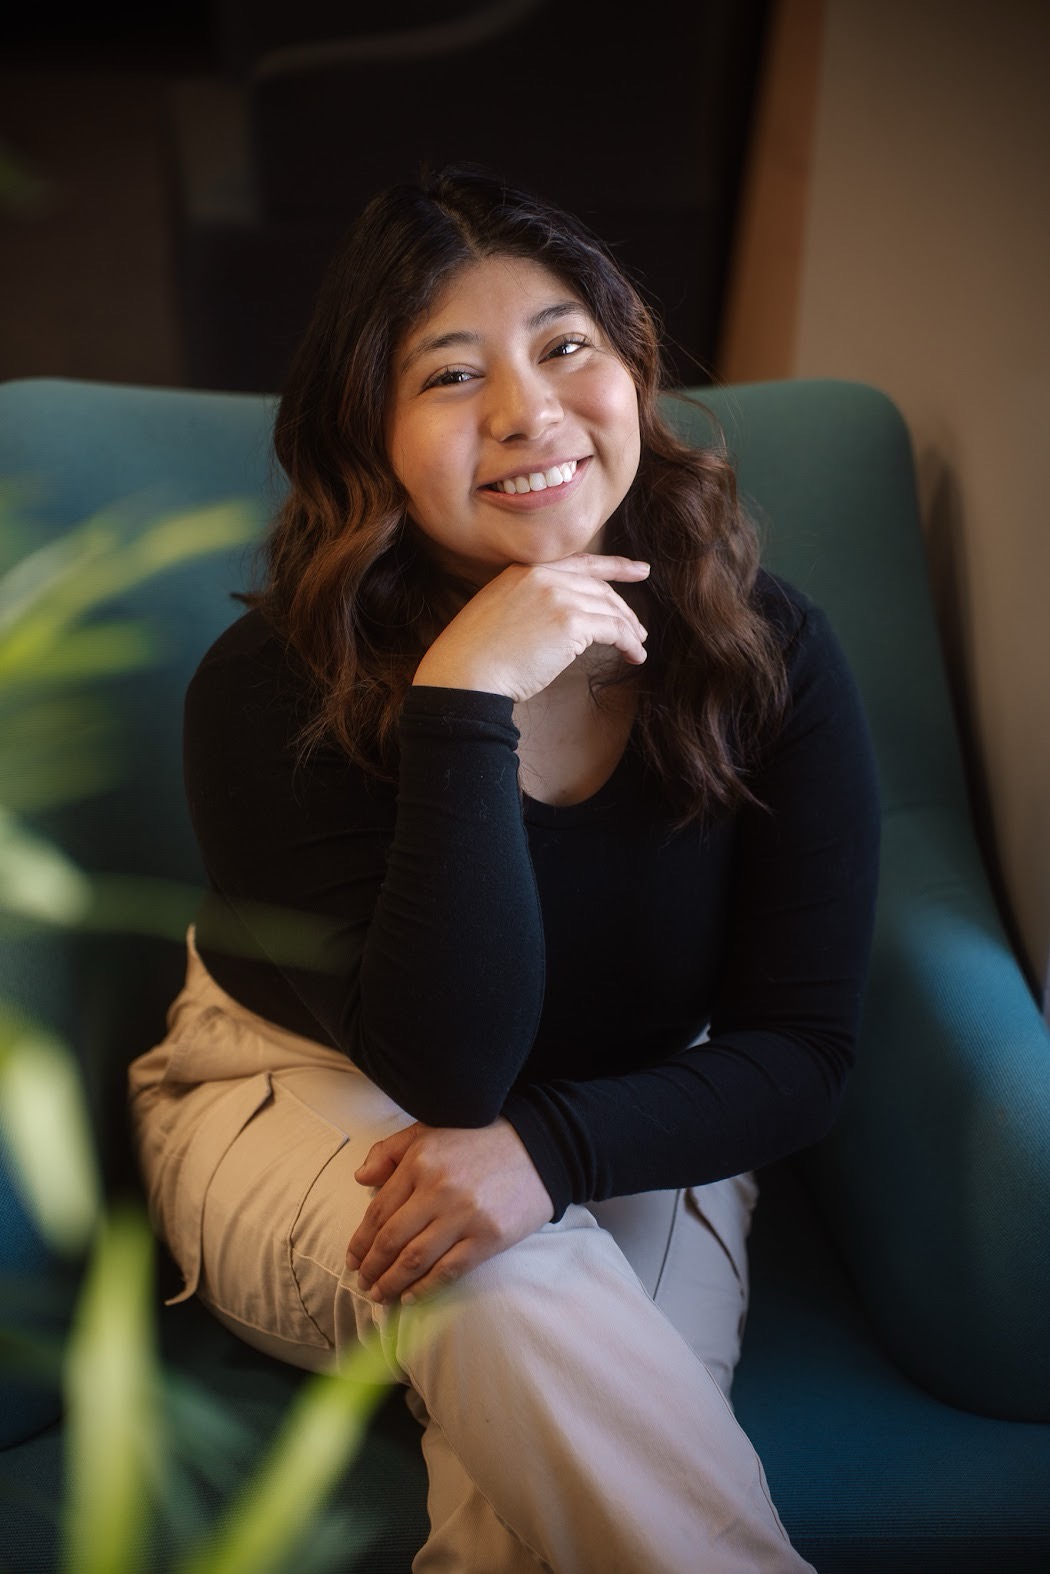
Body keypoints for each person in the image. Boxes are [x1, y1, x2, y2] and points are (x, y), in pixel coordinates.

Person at [128, 163, 880, 1572]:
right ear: (369, 432)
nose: (528, 412)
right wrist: (462, 701)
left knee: (539, 1490)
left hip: (644, 1115)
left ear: (633, 369)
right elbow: (447, 1072)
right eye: (449, 374)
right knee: (503, 1270)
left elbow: (803, 1048)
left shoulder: (765, 650)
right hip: (303, 1093)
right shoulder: (269, 684)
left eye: (565, 346)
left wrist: (558, 1149)